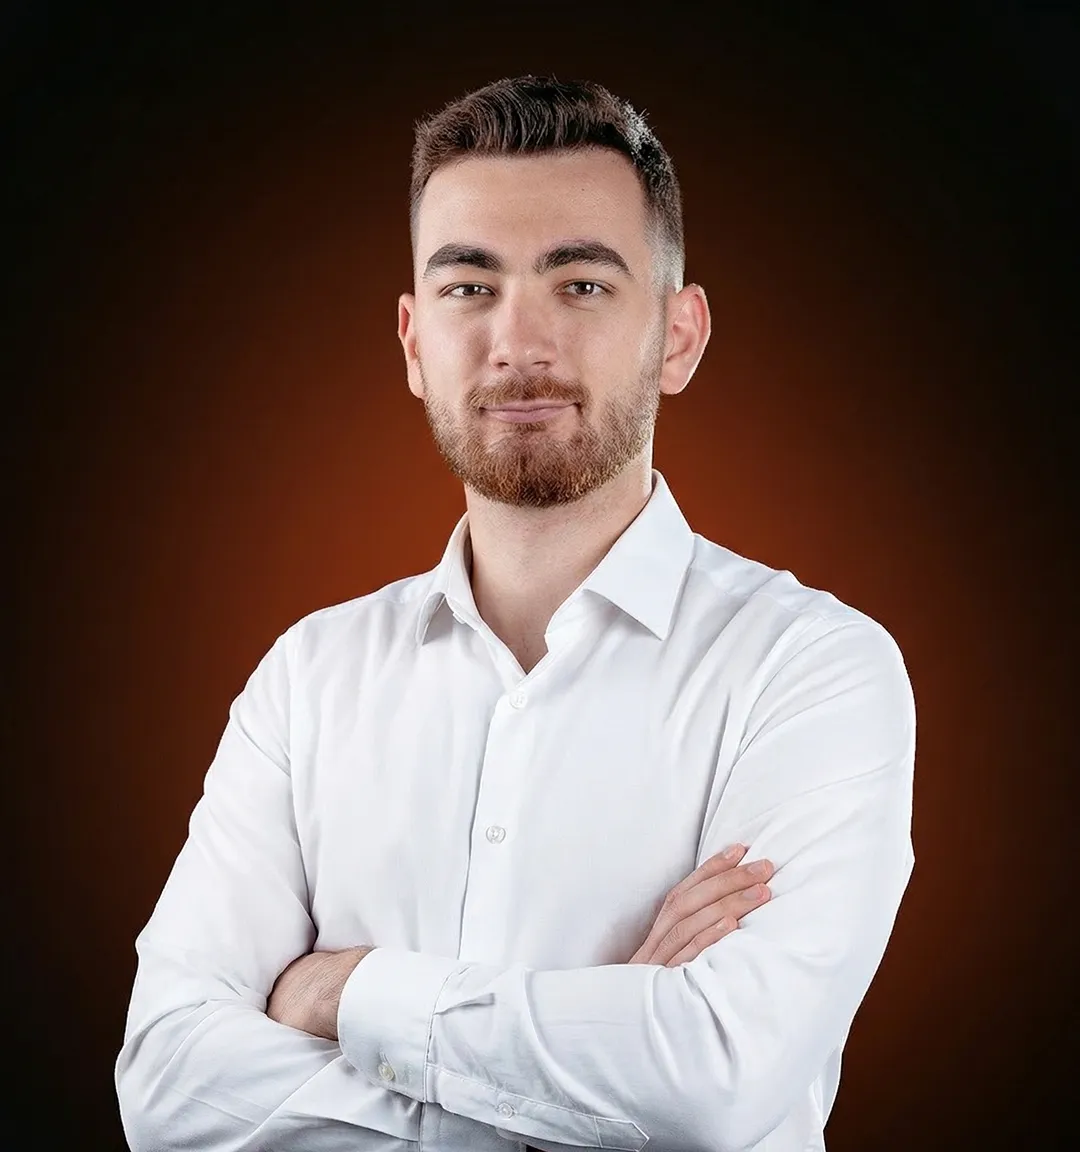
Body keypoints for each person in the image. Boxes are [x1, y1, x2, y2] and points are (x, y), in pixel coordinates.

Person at [115, 75, 916, 1152]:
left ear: (678, 338)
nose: (516, 341)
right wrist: (578, 1079)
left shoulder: (813, 670)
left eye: (580, 284)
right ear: (411, 341)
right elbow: (166, 1082)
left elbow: (713, 1081)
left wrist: (345, 995)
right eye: (467, 287)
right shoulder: (308, 680)